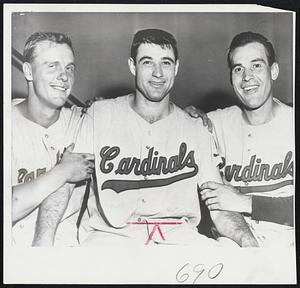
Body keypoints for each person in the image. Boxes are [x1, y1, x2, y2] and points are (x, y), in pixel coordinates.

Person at [35, 28, 259, 246]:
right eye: (147, 62)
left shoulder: (195, 128)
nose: (158, 73)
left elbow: (219, 205)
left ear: (176, 67)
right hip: (110, 240)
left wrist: (248, 241)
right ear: (133, 66)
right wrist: (43, 244)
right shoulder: (99, 114)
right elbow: (63, 184)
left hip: (178, 239)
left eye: (166, 63)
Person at [190, 31, 294, 246]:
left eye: (256, 65)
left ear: (273, 71)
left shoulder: (291, 122)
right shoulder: (215, 123)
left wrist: (243, 202)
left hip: (288, 243)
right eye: (238, 69)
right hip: (234, 241)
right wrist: (188, 114)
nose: (247, 77)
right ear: (231, 78)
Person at [12, 32, 95, 246]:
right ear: (28, 71)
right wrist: (63, 171)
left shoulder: (83, 121)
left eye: (69, 67)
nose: (64, 76)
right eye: (52, 66)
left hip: (69, 254)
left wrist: (191, 114)